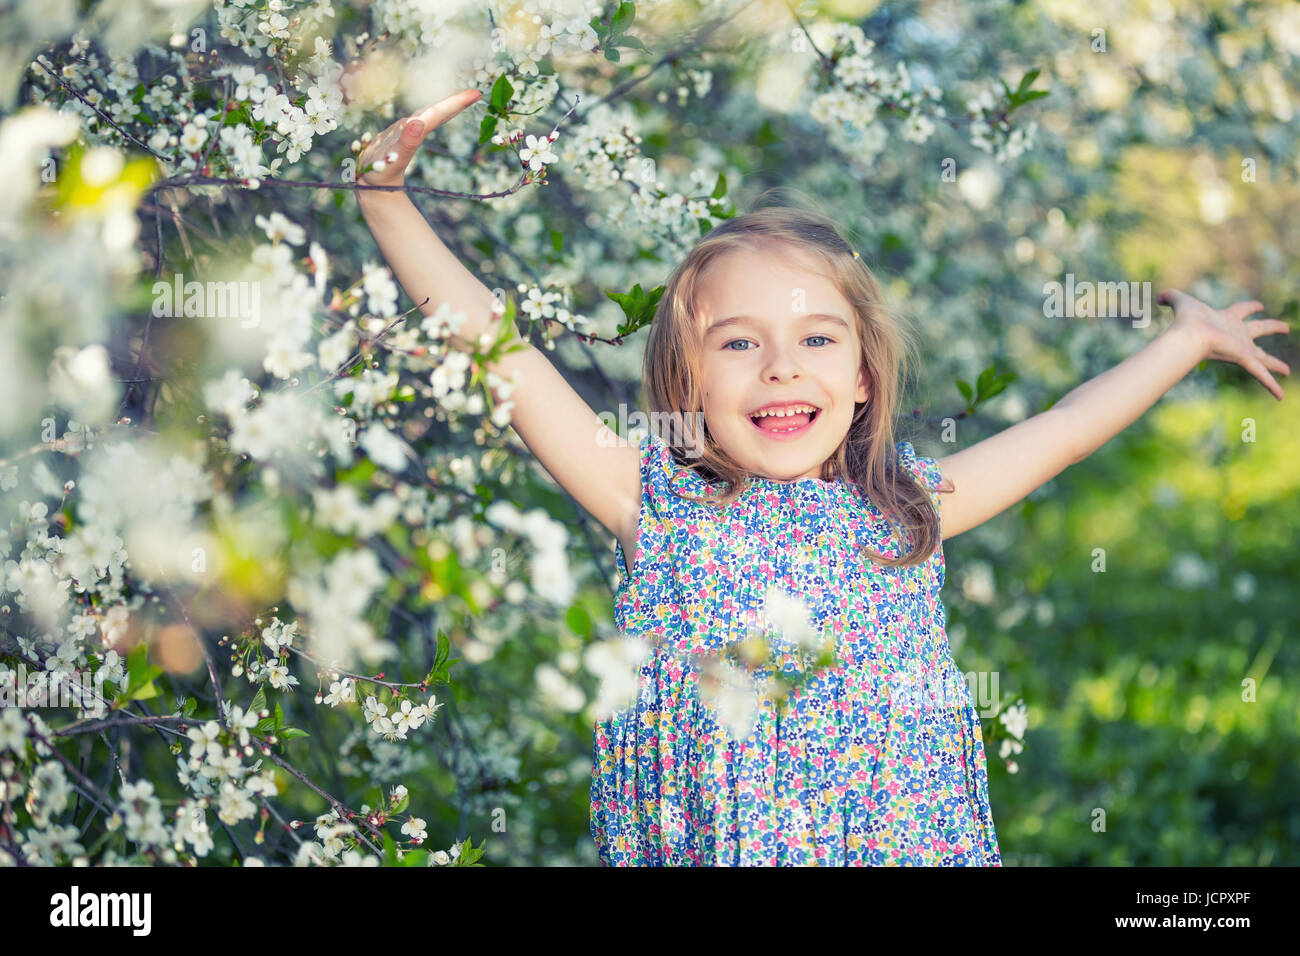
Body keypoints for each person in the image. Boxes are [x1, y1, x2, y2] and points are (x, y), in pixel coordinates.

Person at [356, 89, 1291, 866]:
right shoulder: (653, 502)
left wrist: (1184, 344)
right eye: (738, 343)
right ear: (686, 381)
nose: (780, 367)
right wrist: (384, 200)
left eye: (815, 339)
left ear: (862, 381)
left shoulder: (907, 509)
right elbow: (503, 356)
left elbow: (1065, 430)